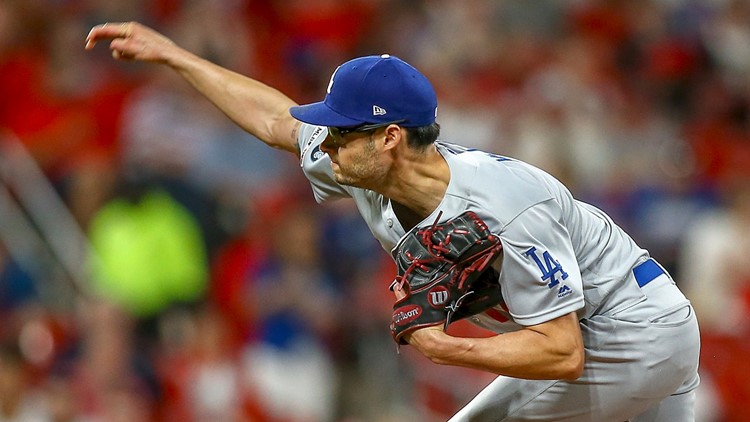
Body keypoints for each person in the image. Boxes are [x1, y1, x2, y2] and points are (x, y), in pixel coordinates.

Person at [85, 22, 701, 421]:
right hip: (600, 330)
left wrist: (444, 347)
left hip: (631, 329)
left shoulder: (508, 205)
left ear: (389, 137)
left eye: (339, 133)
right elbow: (274, 121)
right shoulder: (362, 164)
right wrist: (173, 56)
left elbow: (563, 353)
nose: (323, 145)